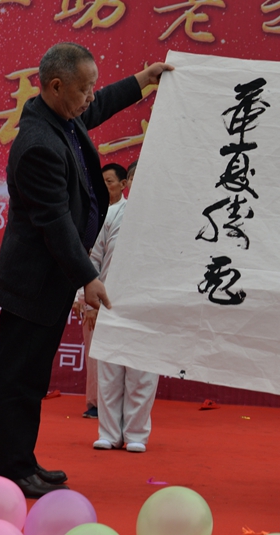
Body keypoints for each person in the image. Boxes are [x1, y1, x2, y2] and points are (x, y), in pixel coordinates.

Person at [0, 43, 172, 499]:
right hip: (33, 282)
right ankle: (7, 470)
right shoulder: (39, 144)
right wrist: (88, 278)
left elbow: (100, 104)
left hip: (47, 280)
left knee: (31, 380)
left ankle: (21, 459)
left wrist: (143, 80)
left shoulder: (61, 116)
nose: (91, 97)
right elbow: (54, 223)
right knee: (19, 381)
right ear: (56, 86)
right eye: (85, 89)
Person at [88, 162, 160, 453]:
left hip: (149, 305)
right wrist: (85, 298)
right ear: (127, 182)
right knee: (109, 373)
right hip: (111, 302)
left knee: (142, 374)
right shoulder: (112, 214)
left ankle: (136, 434)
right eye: (135, 177)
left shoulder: (165, 220)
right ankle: (108, 432)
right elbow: (94, 258)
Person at [74, 163, 129, 421]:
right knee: (95, 352)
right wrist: (82, 298)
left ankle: (122, 407)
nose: (105, 186)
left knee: (123, 355)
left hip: (124, 297)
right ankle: (96, 403)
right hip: (96, 295)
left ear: (123, 184)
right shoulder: (95, 214)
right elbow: (88, 258)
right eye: (102, 182)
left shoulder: (129, 214)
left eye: (110, 181)